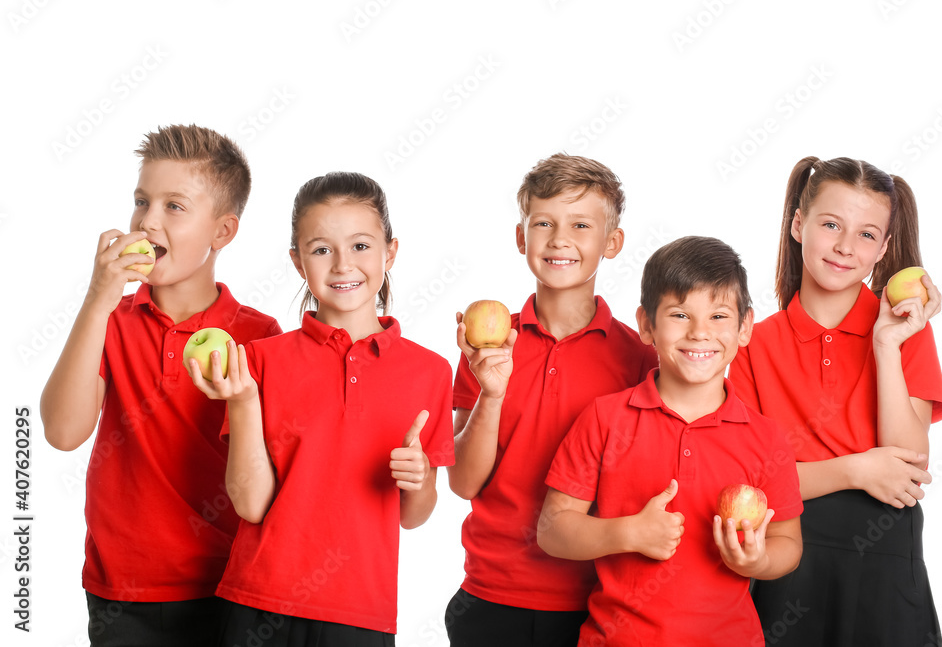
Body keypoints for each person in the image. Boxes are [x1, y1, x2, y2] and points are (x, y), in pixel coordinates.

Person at [40, 125, 281, 645]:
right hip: (120, 593)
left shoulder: (260, 336)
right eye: (141, 201)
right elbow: (62, 431)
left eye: (174, 206)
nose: (146, 221)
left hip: (227, 587)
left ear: (223, 231)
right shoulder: (110, 321)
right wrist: (98, 300)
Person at [189, 172, 453, 647]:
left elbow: (414, 515)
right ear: (297, 262)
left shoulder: (429, 371)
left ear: (389, 252)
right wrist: (245, 399)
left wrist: (420, 477)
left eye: (360, 246)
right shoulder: (259, 360)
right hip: (257, 601)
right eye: (321, 249)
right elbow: (251, 504)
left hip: (361, 615)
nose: (342, 265)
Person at [539, 236, 804, 647]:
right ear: (647, 324)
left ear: (745, 326)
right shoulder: (604, 418)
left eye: (718, 316)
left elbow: (788, 543)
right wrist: (629, 534)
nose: (700, 333)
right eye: (680, 315)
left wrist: (759, 560)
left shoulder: (767, 438)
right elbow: (552, 530)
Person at [728, 156, 942, 646]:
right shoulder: (753, 343)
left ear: (884, 249)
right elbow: (750, 485)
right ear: (798, 224)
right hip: (787, 557)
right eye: (831, 224)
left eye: (867, 234)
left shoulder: (906, 333)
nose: (846, 247)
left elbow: (909, 464)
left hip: (886, 561)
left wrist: (886, 345)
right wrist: (857, 469)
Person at [446, 154, 658, 647]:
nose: (560, 239)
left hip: (600, 599)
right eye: (543, 223)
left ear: (612, 243)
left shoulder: (640, 359)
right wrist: (491, 393)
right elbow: (462, 481)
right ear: (522, 237)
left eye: (581, 224)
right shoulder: (487, 349)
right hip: (492, 594)